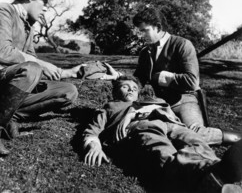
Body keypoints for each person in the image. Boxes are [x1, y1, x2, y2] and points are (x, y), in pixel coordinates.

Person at [0, 0, 84, 156]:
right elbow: (3, 52)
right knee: (32, 68)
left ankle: (6, 117)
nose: (46, 9)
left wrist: (67, 72)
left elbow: (31, 60)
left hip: (9, 84)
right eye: (44, 2)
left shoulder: (28, 25)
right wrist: (40, 64)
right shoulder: (1, 12)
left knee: (68, 91)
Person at [101, 7, 241, 146]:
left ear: (158, 27)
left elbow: (192, 82)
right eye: (140, 31)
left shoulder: (182, 45)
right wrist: (119, 77)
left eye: (145, 30)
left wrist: (162, 77)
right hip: (159, 103)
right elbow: (139, 80)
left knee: (196, 134)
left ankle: (238, 138)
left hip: (185, 100)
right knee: (157, 131)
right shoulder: (145, 52)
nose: (141, 35)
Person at [83, 75, 242, 193]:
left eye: (134, 87)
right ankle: (200, 176)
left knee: (194, 140)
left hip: (171, 123)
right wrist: (94, 147)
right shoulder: (110, 107)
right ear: (115, 92)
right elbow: (92, 131)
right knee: (159, 146)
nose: (131, 88)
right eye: (125, 86)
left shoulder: (153, 100)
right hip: (139, 126)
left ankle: (217, 170)